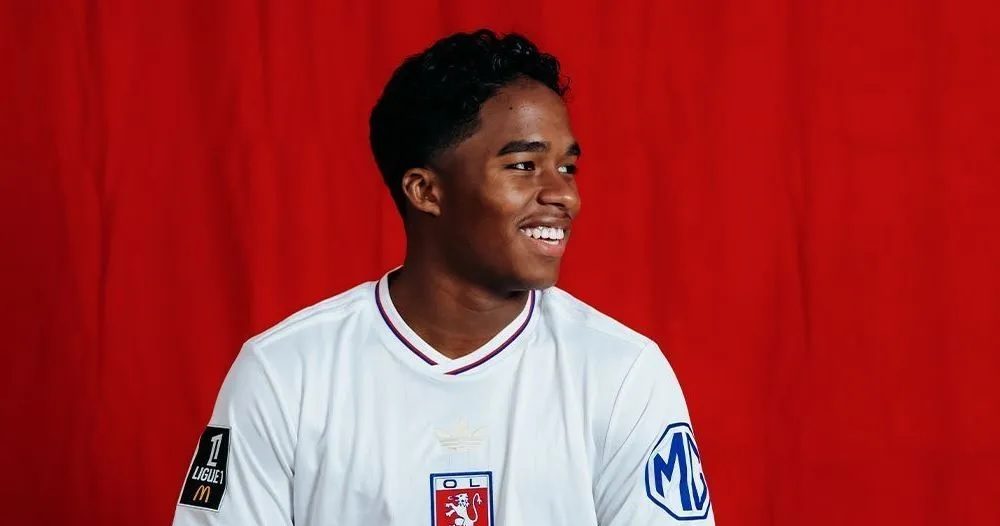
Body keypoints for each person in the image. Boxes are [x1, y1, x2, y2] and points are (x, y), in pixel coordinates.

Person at [173, 29, 714, 525]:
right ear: (426, 191)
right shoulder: (284, 372)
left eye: (567, 167)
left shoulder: (622, 373)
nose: (563, 195)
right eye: (523, 166)